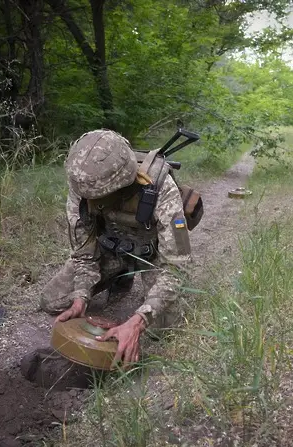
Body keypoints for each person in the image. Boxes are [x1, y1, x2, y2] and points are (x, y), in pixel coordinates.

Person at [39, 129, 191, 366]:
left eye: (98, 197)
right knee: (53, 300)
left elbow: (176, 267)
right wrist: (81, 296)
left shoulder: (161, 189)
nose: (89, 202)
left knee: (161, 329)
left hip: (152, 257)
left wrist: (139, 320)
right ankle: (120, 275)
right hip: (111, 250)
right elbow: (84, 255)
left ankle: (131, 276)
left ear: (122, 185)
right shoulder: (82, 187)